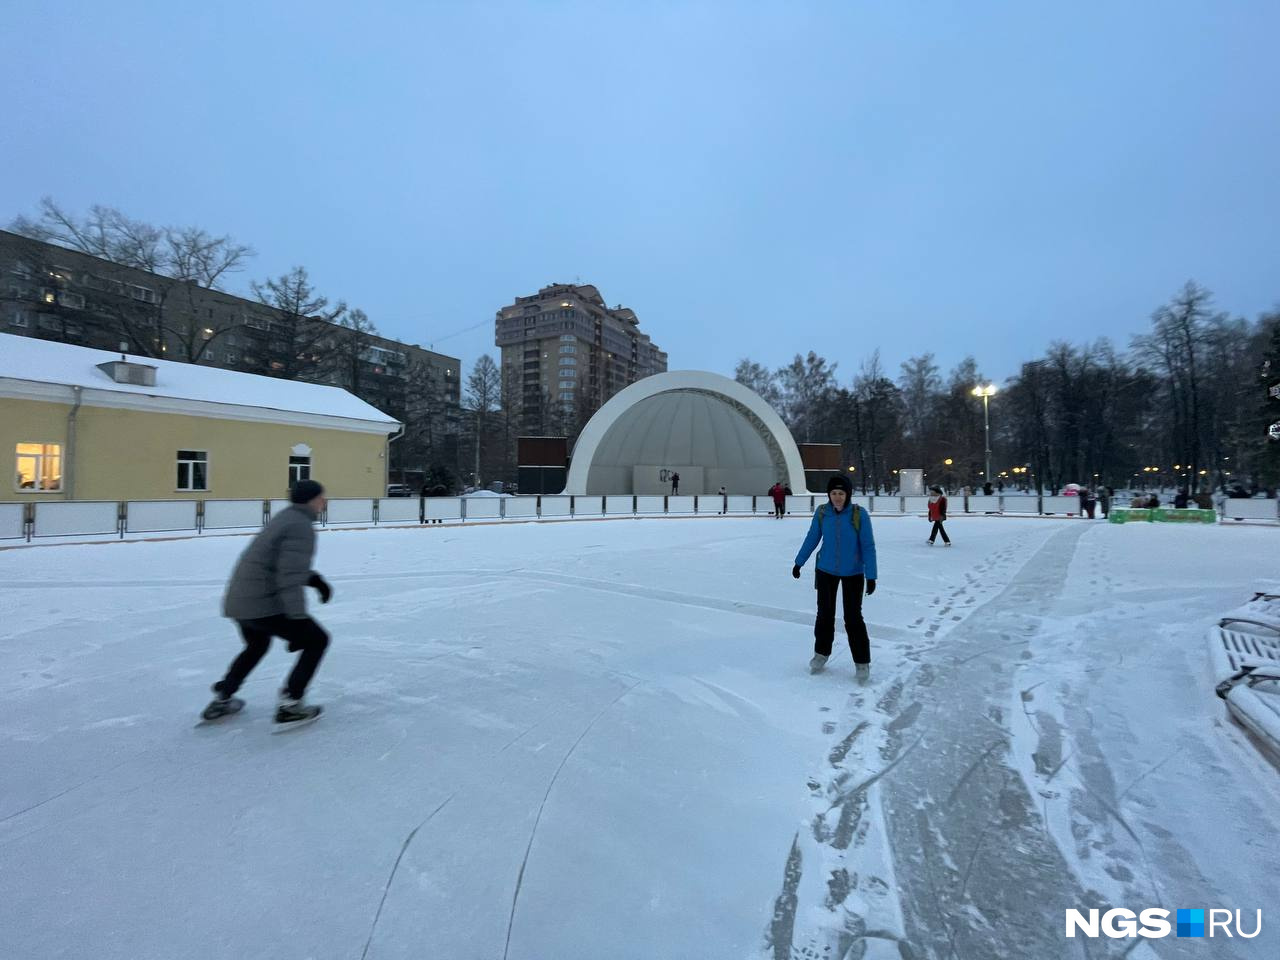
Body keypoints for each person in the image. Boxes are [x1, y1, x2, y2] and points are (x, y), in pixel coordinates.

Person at [202, 479, 332, 726]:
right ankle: (290, 705)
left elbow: (279, 564)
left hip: (240, 602)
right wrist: (298, 618)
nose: (324, 501)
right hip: (262, 603)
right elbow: (288, 576)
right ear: (312, 500)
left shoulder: (286, 518)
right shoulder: (300, 526)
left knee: (256, 646)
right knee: (317, 640)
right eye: (321, 497)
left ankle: (222, 698)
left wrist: (314, 580)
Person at [792, 475, 878, 681]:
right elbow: (812, 537)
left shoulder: (859, 514)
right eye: (833, 493)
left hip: (853, 572)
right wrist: (799, 561)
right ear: (828, 495)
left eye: (841, 493)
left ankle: (862, 662)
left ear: (847, 494)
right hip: (826, 570)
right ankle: (821, 654)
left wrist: (871, 575)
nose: (837, 497)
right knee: (824, 614)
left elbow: (868, 546)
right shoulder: (823, 513)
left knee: (853, 617)